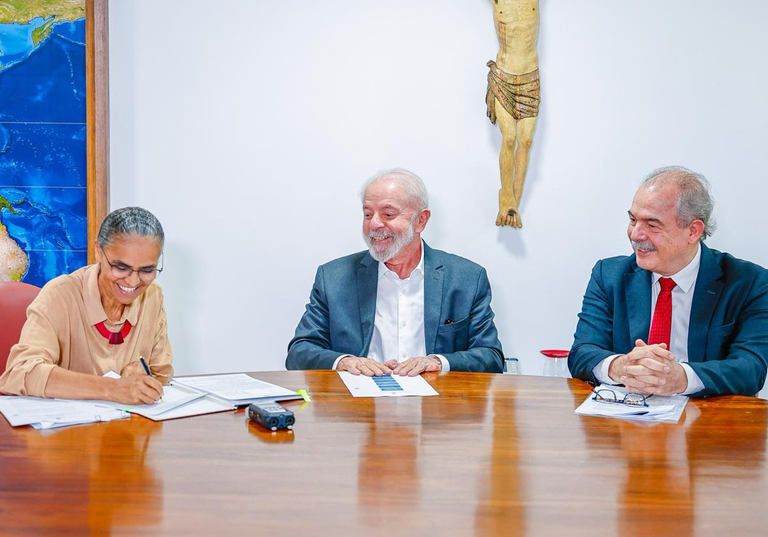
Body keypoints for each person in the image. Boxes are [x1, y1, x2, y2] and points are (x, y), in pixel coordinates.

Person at [569, 166, 768, 397]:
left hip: (706, 423)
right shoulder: (608, 275)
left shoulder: (750, 283)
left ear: (693, 231)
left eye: (652, 225)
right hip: (625, 420)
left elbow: (751, 368)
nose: (635, 234)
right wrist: (622, 367)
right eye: (633, 220)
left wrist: (681, 378)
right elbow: (582, 353)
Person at [286, 168, 503, 376]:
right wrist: (345, 362)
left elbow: (491, 357)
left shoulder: (466, 278)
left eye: (388, 214)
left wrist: (437, 362)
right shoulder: (333, 278)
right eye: (368, 214)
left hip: (437, 405)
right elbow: (299, 352)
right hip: (357, 406)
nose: (375, 224)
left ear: (421, 220)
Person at [0, 207, 172, 404]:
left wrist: (143, 375)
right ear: (98, 250)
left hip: (127, 429)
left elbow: (162, 375)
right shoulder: (60, 295)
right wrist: (111, 388)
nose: (133, 282)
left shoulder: (152, 296)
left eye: (147, 270)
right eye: (121, 267)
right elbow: (20, 373)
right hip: (68, 432)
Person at [486, 0, 540, 228]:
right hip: (504, 75)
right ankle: (507, 200)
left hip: (529, 77)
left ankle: (511, 207)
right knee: (509, 139)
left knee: (526, 141)